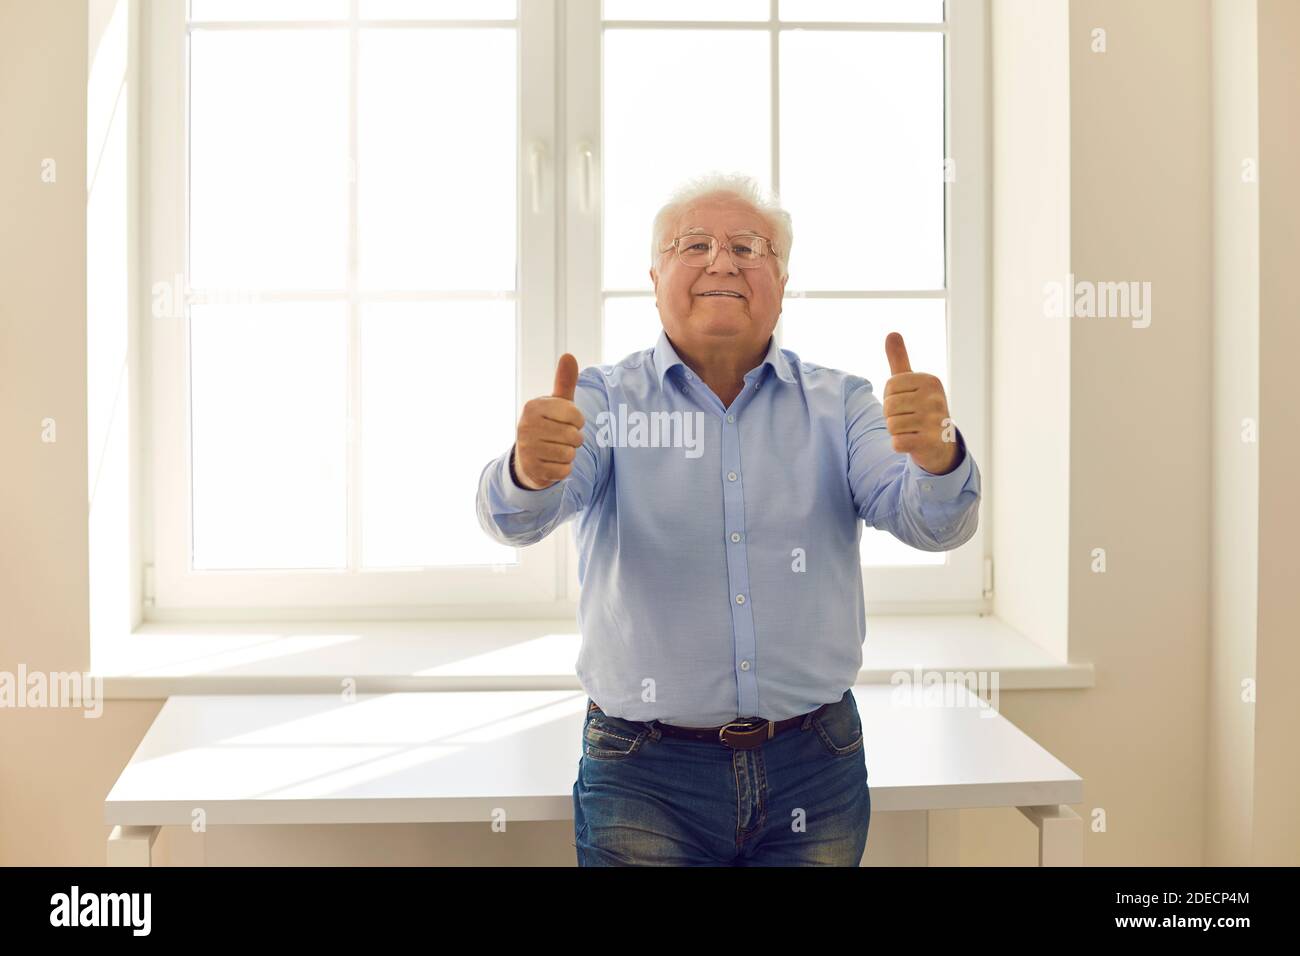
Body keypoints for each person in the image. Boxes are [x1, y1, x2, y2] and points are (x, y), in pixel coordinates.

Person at [476, 172, 981, 865]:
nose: (723, 260)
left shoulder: (844, 403)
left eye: (750, 246)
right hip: (644, 773)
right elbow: (517, 522)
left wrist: (937, 454)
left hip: (815, 761)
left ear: (782, 279)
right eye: (693, 245)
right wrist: (528, 471)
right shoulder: (603, 400)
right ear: (654, 276)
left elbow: (932, 524)